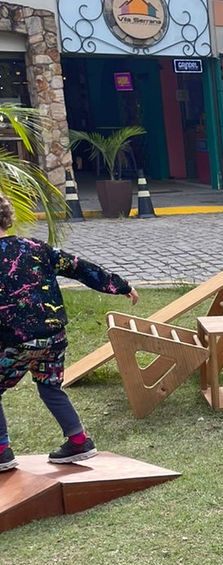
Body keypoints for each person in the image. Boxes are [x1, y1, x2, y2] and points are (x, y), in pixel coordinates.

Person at [0, 193, 138, 470]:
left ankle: (2, 451)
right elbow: (79, 267)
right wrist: (121, 285)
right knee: (50, 386)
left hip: (12, 341)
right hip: (52, 337)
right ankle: (78, 441)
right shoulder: (35, 247)